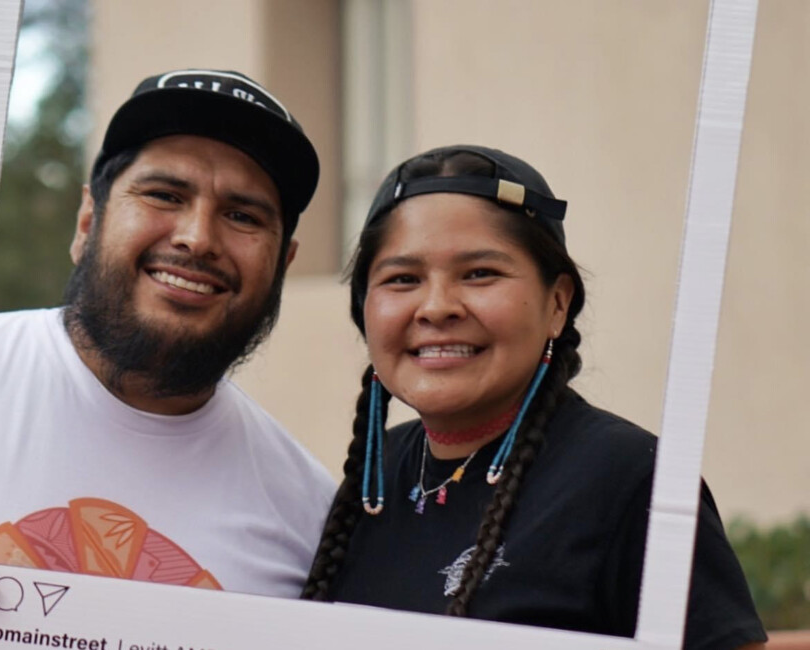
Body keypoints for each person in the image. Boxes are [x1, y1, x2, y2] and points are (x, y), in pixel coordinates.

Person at [0, 69, 335, 648]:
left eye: (243, 215)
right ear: (88, 222)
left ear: (281, 266)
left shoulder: (308, 515)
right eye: (165, 195)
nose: (197, 237)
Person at [301, 145, 767, 649]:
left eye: (480, 273)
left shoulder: (633, 482)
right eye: (402, 280)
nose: (436, 307)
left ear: (557, 303)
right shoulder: (372, 478)